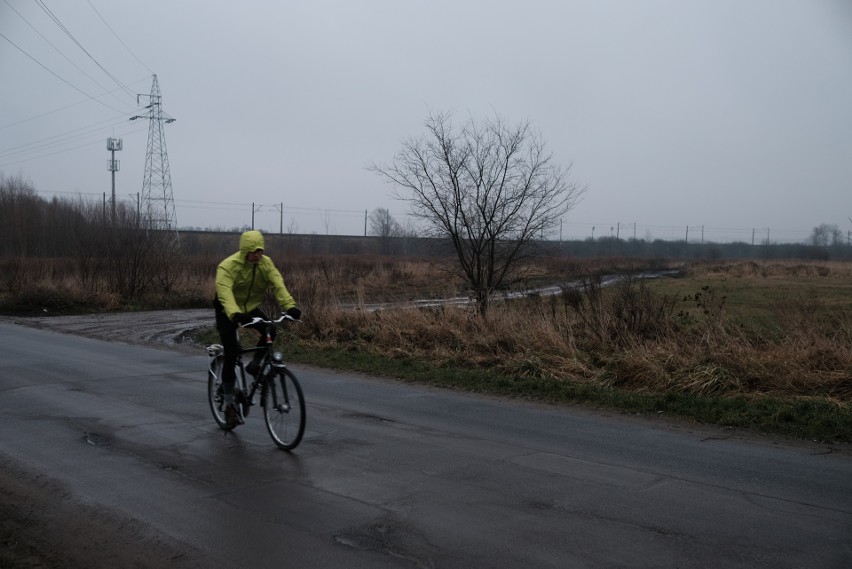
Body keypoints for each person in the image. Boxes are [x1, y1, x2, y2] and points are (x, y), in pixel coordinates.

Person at [214, 229, 301, 427]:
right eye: (253, 251)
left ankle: (255, 365)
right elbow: (225, 293)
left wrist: (290, 306)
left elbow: (278, 284)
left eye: (260, 250)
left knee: (270, 330)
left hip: (250, 309)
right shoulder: (228, 266)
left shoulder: (265, 264)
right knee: (232, 352)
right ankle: (228, 405)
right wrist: (235, 314)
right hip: (227, 310)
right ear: (245, 250)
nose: (257, 255)